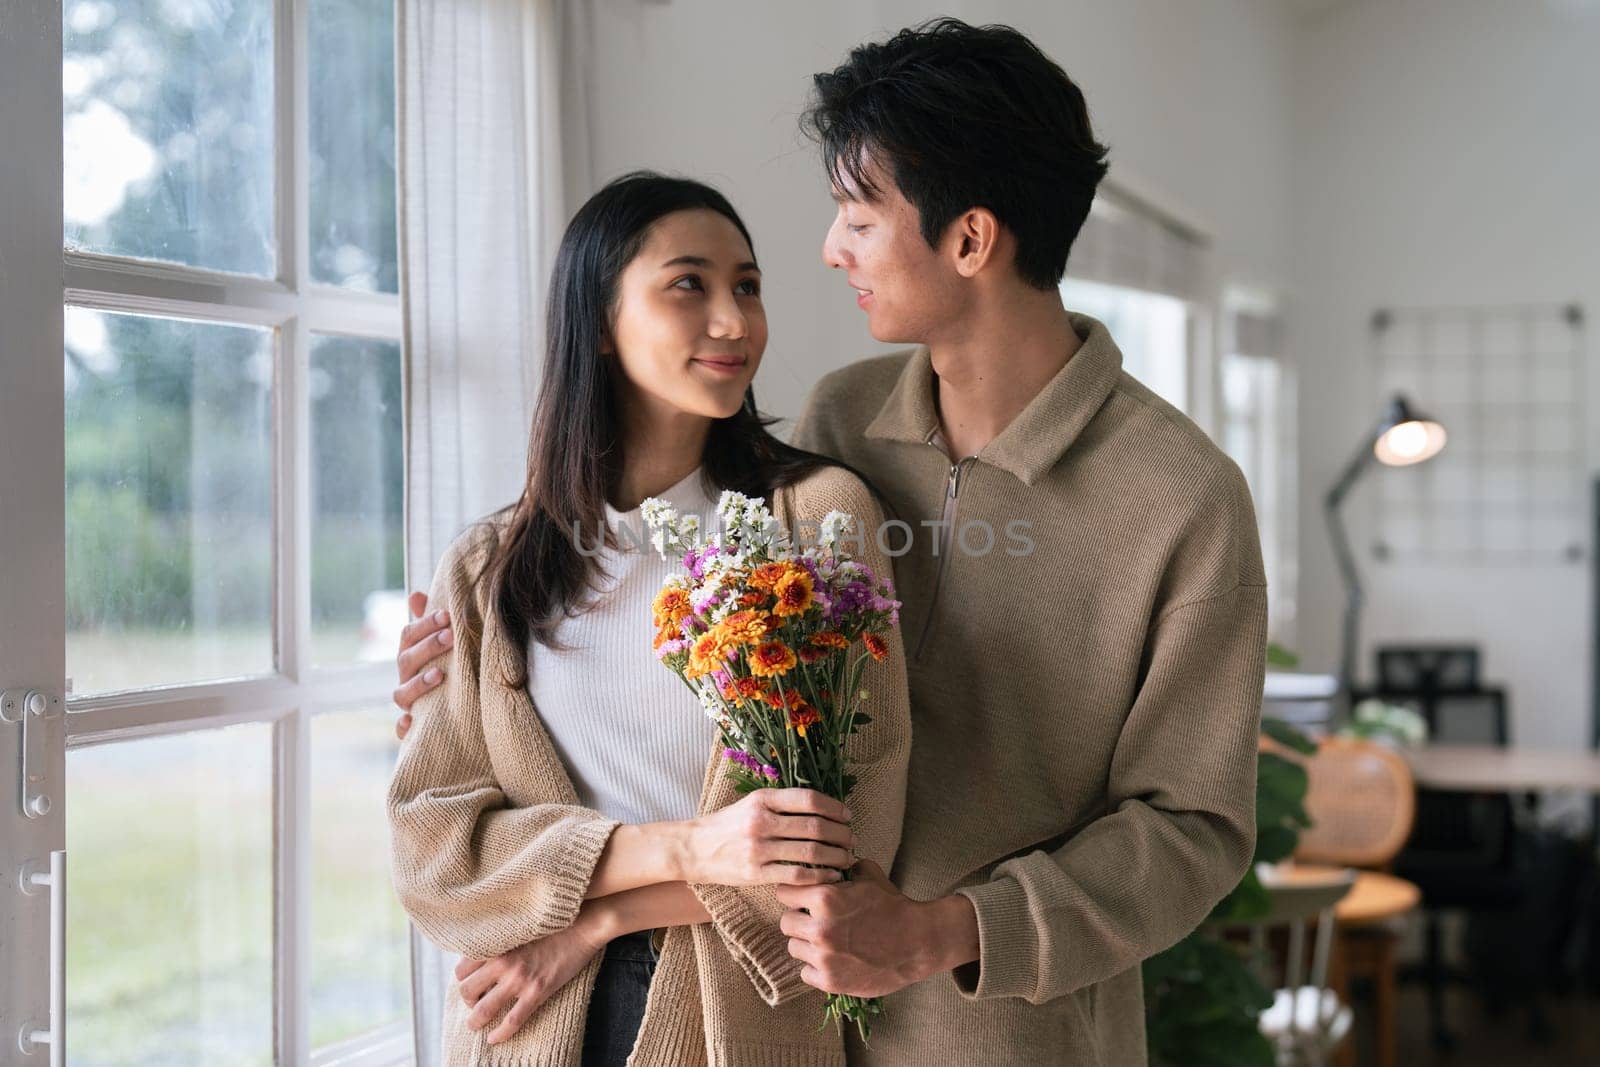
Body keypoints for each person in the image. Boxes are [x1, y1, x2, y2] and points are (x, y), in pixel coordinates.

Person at [398, 19, 1266, 1065]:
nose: (831, 247)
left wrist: (950, 929)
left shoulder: (1183, 496)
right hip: (778, 1019)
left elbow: (1192, 826)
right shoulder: (838, 427)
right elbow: (719, 723)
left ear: (970, 239)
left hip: (1004, 1036)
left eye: (858, 213)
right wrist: (463, 679)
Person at [387, 171, 910, 1066]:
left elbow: (850, 835)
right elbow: (436, 854)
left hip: (737, 1009)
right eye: (689, 284)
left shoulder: (816, 520)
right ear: (596, 321)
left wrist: (591, 919)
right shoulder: (487, 569)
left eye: (747, 285)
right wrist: (690, 846)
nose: (735, 321)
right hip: (525, 1019)